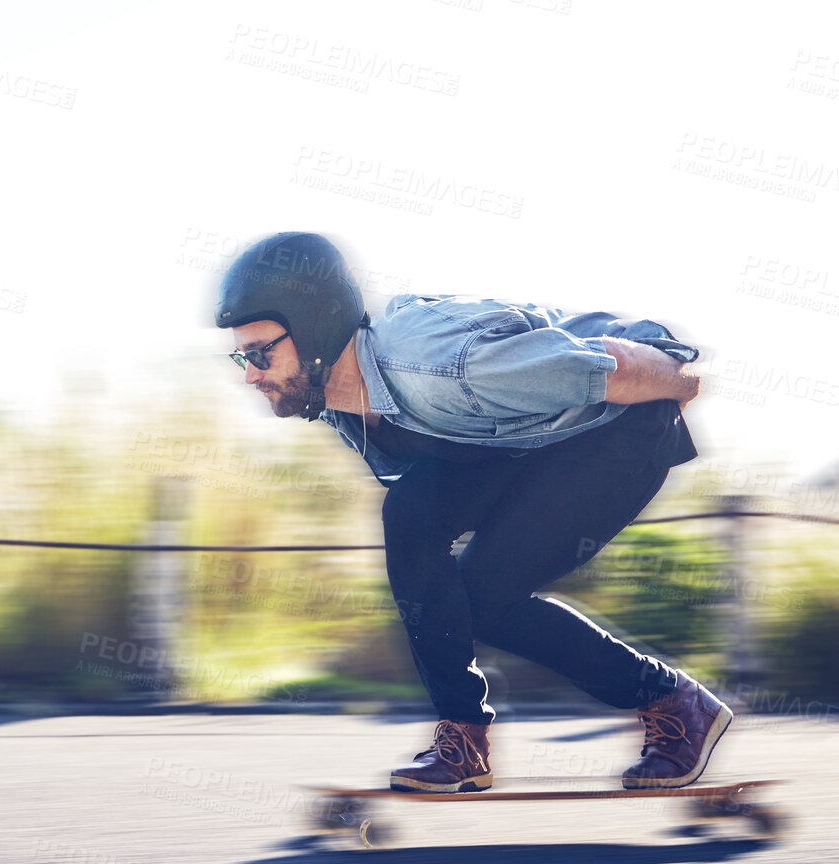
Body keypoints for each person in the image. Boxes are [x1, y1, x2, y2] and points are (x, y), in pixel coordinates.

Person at [212, 231, 731, 793]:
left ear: (313, 327)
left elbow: (621, 368)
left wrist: (682, 383)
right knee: (409, 513)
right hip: (516, 440)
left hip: (620, 427)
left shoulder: (442, 365)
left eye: (261, 353)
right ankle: (462, 739)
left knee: (485, 597)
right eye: (242, 357)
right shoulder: (342, 404)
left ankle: (676, 702)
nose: (249, 374)